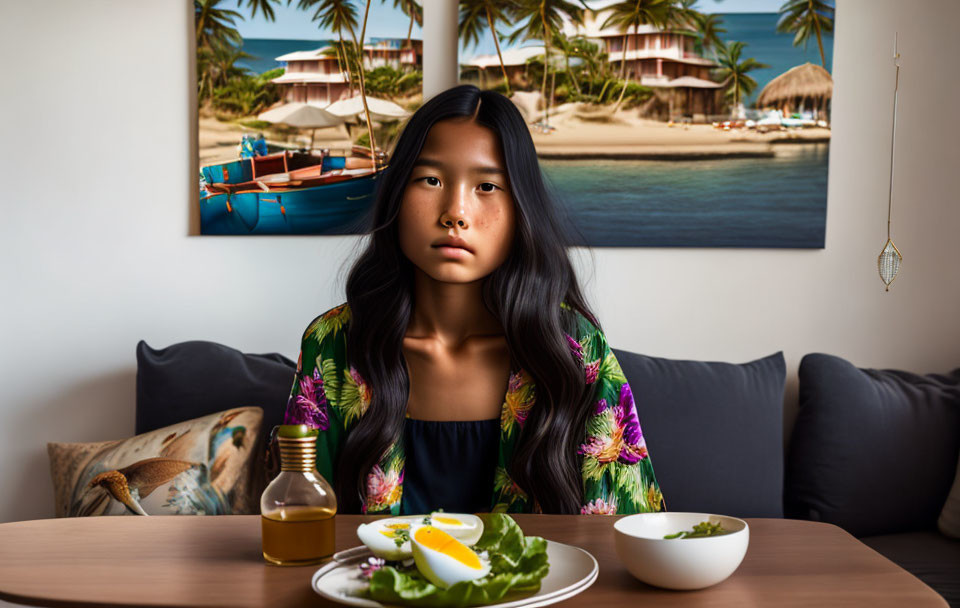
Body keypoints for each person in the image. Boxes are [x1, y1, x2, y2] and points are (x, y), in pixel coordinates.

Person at [282, 84, 664, 516]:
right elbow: (297, 519)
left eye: (486, 185)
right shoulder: (334, 343)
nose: (455, 212)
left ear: (522, 208)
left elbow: (628, 530)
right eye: (430, 179)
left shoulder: (573, 348)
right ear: (395, 194)